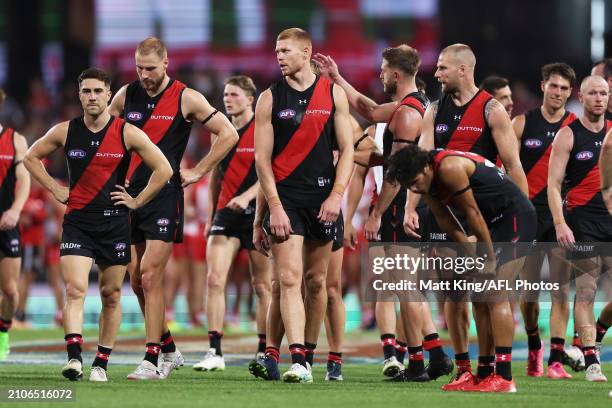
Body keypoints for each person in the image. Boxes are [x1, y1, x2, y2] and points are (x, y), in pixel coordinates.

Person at [23, 67, 172, 382]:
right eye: (86, 91)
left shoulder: (126, 132)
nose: (92, 97)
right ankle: (75, 358)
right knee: (75, 289)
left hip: (115, 223)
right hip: (78, 221)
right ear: (79, 95)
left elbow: (164, 169)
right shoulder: (65, 130)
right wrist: (53, 187)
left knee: (111, 295)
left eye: (97, 91)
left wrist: (137, 200)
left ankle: (100, 364)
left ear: (108, 94)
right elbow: (31, 157)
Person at [314, 45, 452, 382]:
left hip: (401, 204)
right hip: (410, 202)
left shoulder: (407, 114)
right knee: (404, 286)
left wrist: (376, 213)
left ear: (394, 74)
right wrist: (338, 79)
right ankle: (432, 356)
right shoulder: (411, 105)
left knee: (403, 286)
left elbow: (398, 172)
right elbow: (371, 109)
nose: (378, 74)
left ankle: (422, 361)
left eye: (382, 69)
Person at [108, 37, 239, 380]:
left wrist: (198, 170)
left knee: (150, 276)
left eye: (150, 68)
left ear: (166, 63)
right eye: (139, 67)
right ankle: (168, 348)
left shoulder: (186, 97)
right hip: (129, 195)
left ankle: (152, 360)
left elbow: (228, 133)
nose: (144, 74)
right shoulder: (125, 95)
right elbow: (106, 135)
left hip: (165, 195)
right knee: (136, 281)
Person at [406, 44, 528, 390]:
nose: (437, 73)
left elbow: (515, 167)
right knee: (457, 294)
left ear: (463, 70)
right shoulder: (433, 110)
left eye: (443, 67)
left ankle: (499, 374)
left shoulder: (491, 110)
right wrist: (411, 208)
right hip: (445, 213)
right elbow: (422, 163)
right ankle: (468, 370)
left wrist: (523, 215)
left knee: (491, 294)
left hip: (488, 214)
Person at [386, 144, 536, 392]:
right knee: (479, 297)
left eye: (414, 182)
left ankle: (506, 377)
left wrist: (486, 257)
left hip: (515, 218)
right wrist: (470, 251)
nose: (414, 188)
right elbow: (446, 220)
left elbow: (473, 213)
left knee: (495, 294)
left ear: (425, 167)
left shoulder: (449, 167)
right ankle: (486, 373)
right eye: (408, 186)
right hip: (496, 222)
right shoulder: (428, 179)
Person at [253, 27, 353, 383]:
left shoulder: (334, 94)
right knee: (288, 278)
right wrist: (274, 208)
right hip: (287, 201)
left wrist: (337, 195)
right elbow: (262, 161)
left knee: (316, 281)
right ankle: (296, 359)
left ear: (307, 52)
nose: (279, 56)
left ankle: (310, 355)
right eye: (277, 50)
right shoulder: (268, 98)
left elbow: (349, 150)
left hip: (324, 200)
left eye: (286, 50)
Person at [193, 75, 272, 371]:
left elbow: (270, 171)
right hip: (226, 214)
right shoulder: (220, 132)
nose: (228, 99)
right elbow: (215, 175)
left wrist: (249, 196)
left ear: (251, 99)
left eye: (235, 95)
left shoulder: (263, 130)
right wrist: (212, 213)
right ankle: (214, 352)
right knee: (214, 280)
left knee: (262, 285)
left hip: (258, 213)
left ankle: (266, 350)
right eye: (226, 94)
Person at [513, 63, 577, 379]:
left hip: (561, 217)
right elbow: (505, 167)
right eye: (554, 86)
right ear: (543, 87)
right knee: (529, 294)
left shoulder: (575, 126)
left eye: (564, 88)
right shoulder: (522, 124)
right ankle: (534, 342)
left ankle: (554, 359)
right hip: (528, 217)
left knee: (562, 289)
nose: (558, 93)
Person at [547, 75, 612, 382]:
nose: (599, 98)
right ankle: (590, 360)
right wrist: (560, 223)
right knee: (586, 290)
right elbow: (553, 184)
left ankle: (597, 332)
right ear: (582, 98)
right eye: (593, 93)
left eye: (604, 93)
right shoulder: (568, 135)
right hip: (583, 222)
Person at [0, 88, 30, 360]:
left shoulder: (15, 140)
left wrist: (16, 209)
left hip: (5, 223)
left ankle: (3, 331)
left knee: (10, 291)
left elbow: (25, 179)